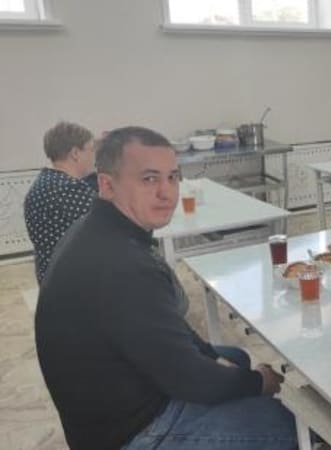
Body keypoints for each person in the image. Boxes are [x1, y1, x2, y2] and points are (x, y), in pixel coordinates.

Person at [34, 127, 297, 450]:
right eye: (149, 179)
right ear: (107, 185)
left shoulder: (98, 230)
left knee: (235, 358)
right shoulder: (124, 264)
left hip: (109, 403)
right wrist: (258, 383)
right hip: (130, 433)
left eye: (172, 177)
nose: (166, 192)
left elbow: (172, 332)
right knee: (289, 424)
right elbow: (190, 378)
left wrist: (215, 359)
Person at [24, 121, 97, 283]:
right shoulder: (69, 189)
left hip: (50, 274)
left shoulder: (45, 181)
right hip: (71, 279)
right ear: (75, 153)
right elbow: (109, 226)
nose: (95, 155)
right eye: (92, 149)